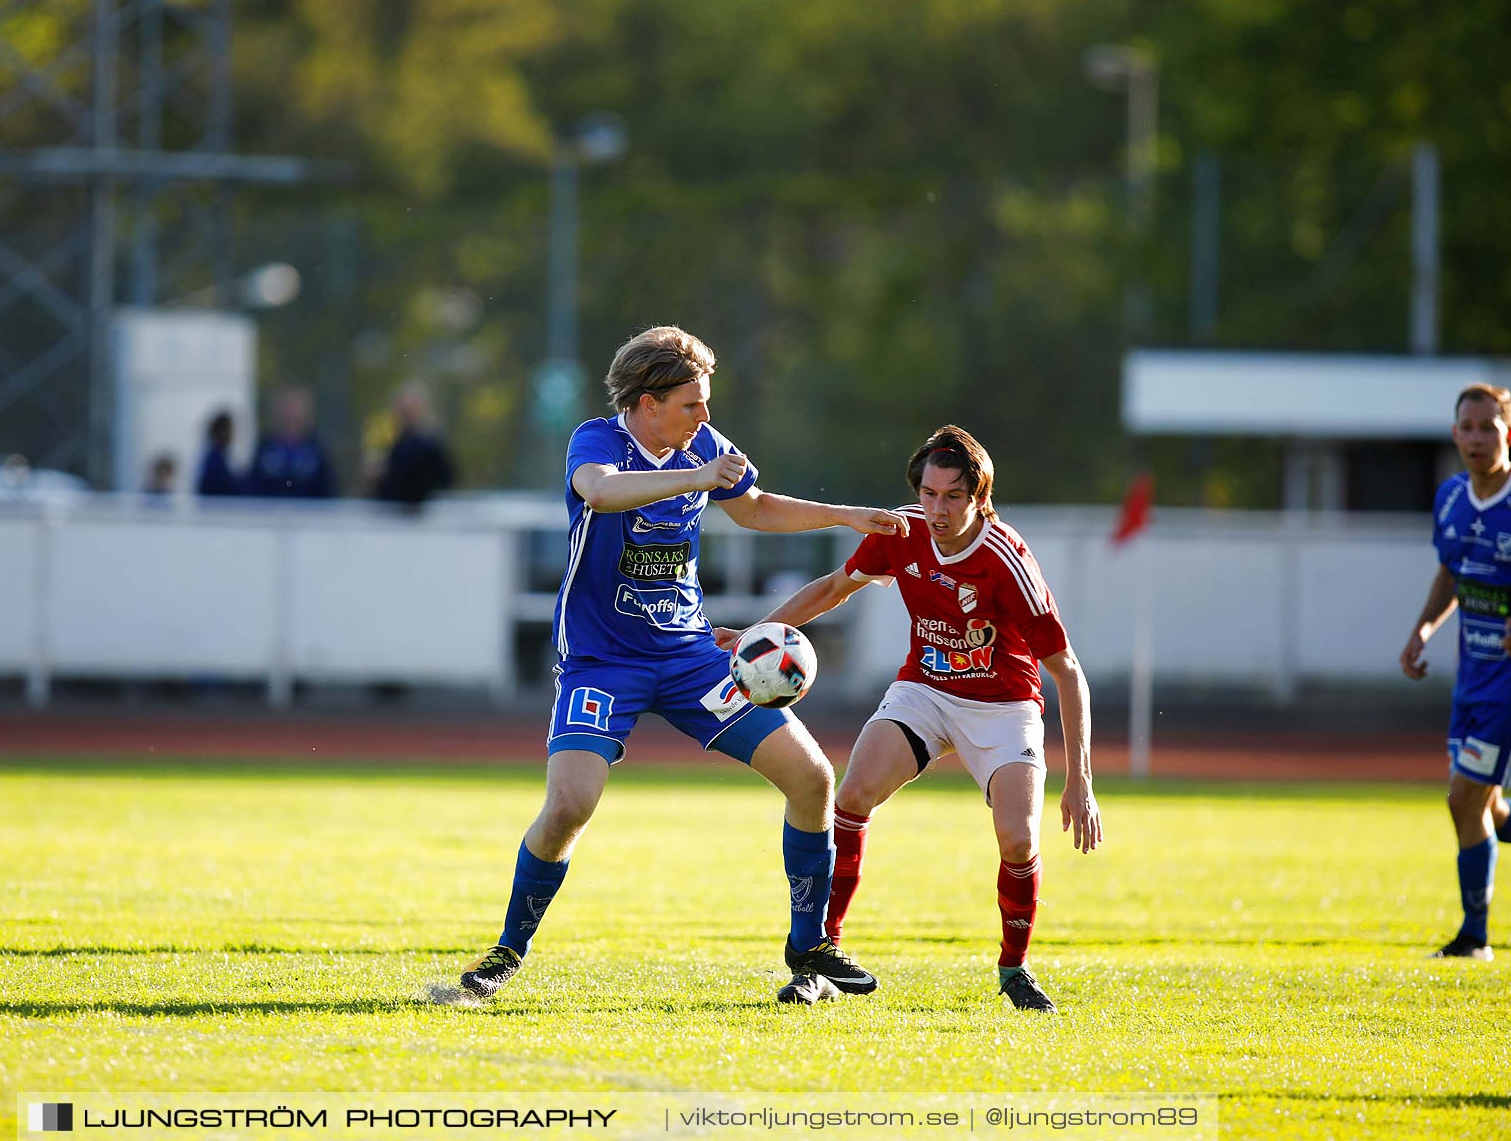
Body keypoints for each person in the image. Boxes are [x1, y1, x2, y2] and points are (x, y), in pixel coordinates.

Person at [450, 326, 909, 1004]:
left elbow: (752, 507)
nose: (706, 418)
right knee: (569, 806)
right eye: (692, 404)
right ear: (647, 402)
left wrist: (846, 517)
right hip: (603, 663)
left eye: (706, 404)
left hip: (693, 660)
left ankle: (810, 947)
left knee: (811, 778)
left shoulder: (704, 442)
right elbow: (600, 491)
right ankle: (506, 953)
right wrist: (696, 474)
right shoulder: (599, 440)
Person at [717, 425, 1101, 1011]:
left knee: (1018, 839)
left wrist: (1081, 782)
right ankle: (823, 956)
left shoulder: (1006, 560)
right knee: (850, 797)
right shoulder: (903, 532)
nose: (937, 509)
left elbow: (1067, 671)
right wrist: (755, 639)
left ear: (980, 496)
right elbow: (833, 588)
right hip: (924, 692)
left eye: (952, 496)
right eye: (928, 493)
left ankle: (1014, 969)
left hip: (1003, 707)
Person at [1400, 383, 1511, 961]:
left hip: (1510, 687)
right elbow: (1450, 574)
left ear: (1509, 434)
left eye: (1488, 427)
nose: (1476, 437)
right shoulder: (1450, 498)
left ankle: (1475, 937)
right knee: (1491, 810)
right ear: (1454, 434)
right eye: (1467, 427)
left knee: (1462, 801)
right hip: (1471, 676)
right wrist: (1423, 629)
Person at [373, 382, 455, 508]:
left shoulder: (427, 445)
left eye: (409, 409)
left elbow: (443, 481)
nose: (404, 414)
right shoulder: (400, 442)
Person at [247, 387, 336, 498]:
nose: (290, 413)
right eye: (287, 408)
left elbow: (328, 490)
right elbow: (252, 486)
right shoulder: (265, 448)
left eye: (295, 410)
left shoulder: (317, 451)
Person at [196, 410, 242, 497]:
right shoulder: (214, 460)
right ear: (222, 432)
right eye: (230, 430)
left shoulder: (218, 457)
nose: (233, 434)